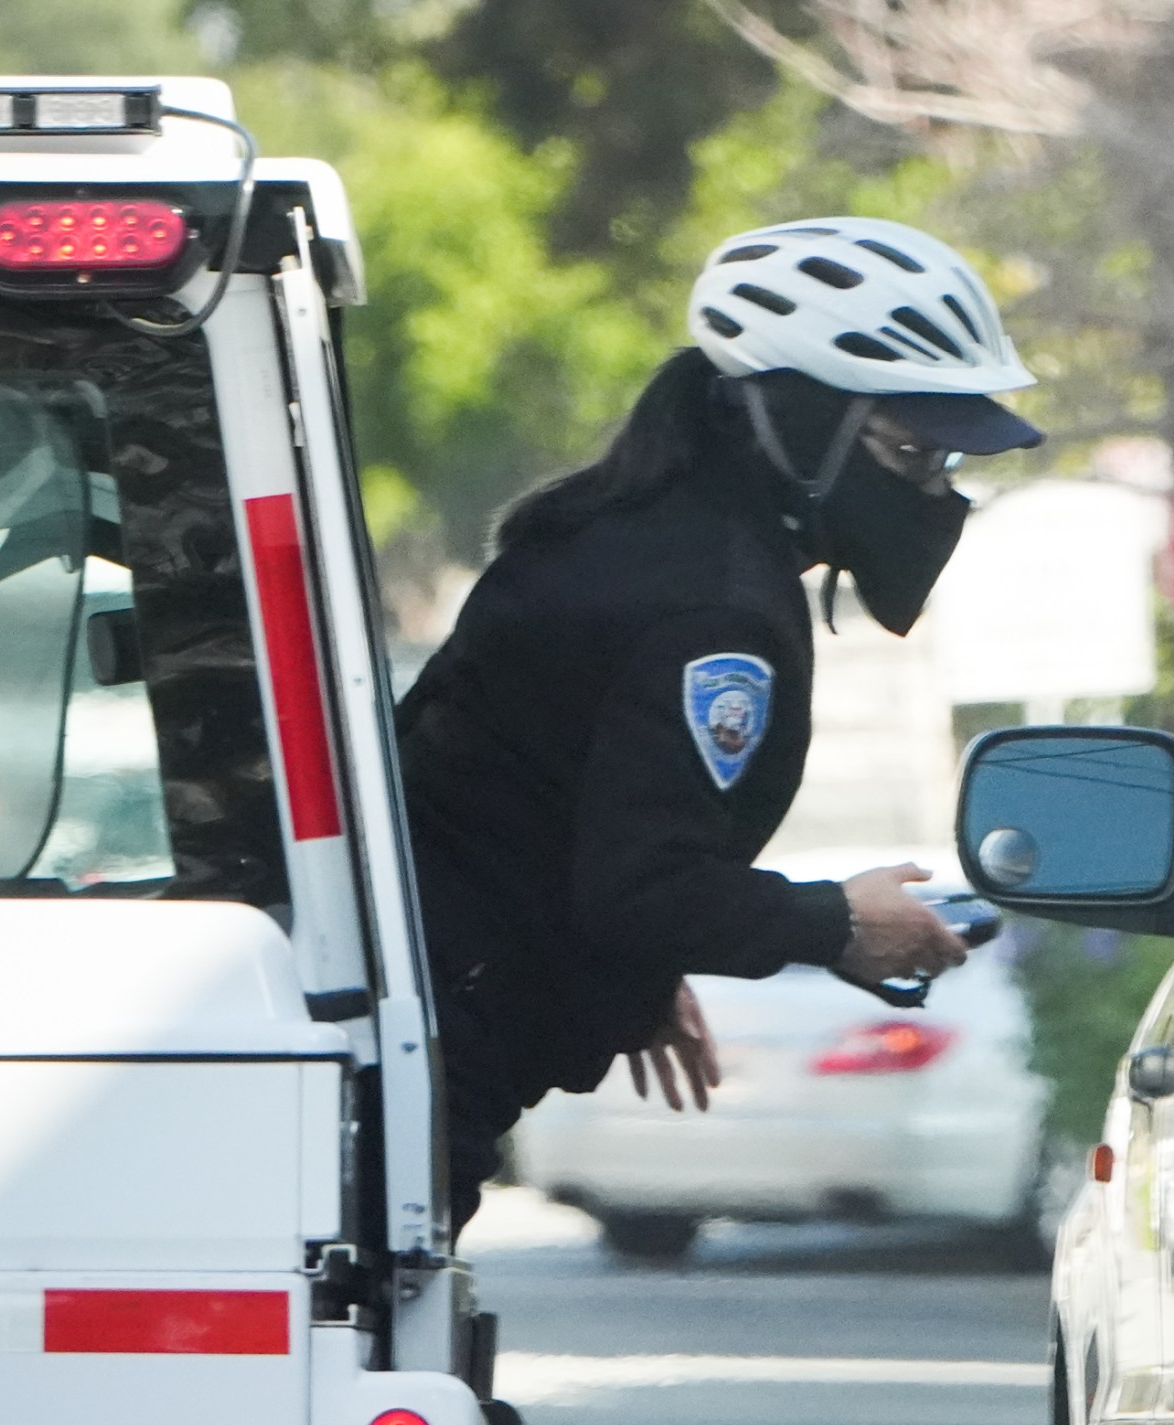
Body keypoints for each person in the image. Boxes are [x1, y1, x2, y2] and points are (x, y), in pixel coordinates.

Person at [396, 216, 1046, 1233]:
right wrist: (840, 924)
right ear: (799, 422)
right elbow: (641, 886)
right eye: (912, 451)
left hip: (414, 1016)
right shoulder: (715, 612)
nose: (934, 490)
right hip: (436, 1044)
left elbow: (532, 791)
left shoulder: (630, 533)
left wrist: (639, 982)